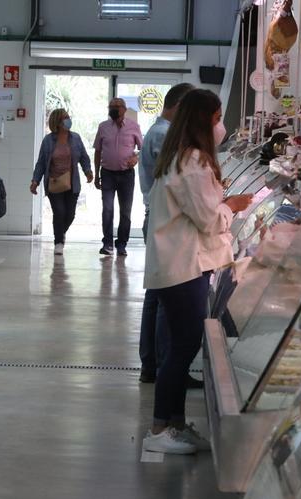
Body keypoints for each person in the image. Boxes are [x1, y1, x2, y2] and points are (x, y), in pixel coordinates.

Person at [142, 90, 253, 455]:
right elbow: (207, 218)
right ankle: (160, 427)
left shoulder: (184, 158)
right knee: (183, 346)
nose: (221, 126)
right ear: (204, 121)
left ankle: (174, 423)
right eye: (218, 118)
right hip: (183, 267)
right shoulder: (192, 162)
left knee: (180, 344)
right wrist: (231, 206)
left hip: (183, 264)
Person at [137, 83, 194, 384]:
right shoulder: (163, 135)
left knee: (157, 295)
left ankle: (153, 363)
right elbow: (180, 178)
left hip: (159, 219)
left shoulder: (161, 133)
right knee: (164, 296)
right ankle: (162, 365)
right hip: (163, 221)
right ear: (180, 106)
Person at [31, 108, 93, 255]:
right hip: (54, 182)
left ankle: (60, 233)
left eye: (68, 117)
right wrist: (35, 181)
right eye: (65, 118)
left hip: (72, 183)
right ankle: (58, 241)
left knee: (70, 215)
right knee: (59, 212)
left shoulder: (76, 138)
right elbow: (41, 163)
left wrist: (88, 171)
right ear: (58, 122)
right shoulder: (48, 141)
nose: (68, 120)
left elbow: (84, 157)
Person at [93, 97, 143, 256]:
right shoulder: (103, 127)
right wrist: (96, 174)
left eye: (117, 106)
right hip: (107, 173)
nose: (113, 108)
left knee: (125, 211)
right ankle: (107, 243)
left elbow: (142, 149)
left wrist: (136, 158)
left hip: (126, 175)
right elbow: (98, 151)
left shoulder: (134, 127)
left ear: (124, 109)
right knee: (107, 209)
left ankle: (122, 244)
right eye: (111, 106)